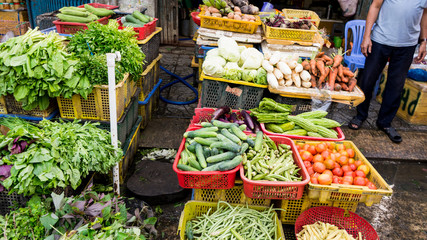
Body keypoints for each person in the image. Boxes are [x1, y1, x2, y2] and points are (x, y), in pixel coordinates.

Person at [348, 0, 427, 143]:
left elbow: (424, 14)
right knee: (367, 79)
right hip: (380, 40)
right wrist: (366, 36)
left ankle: (385, 122)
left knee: (396, 85)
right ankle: (360, 115)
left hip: (407, 45)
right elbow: (375, 6)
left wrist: (423, 40)